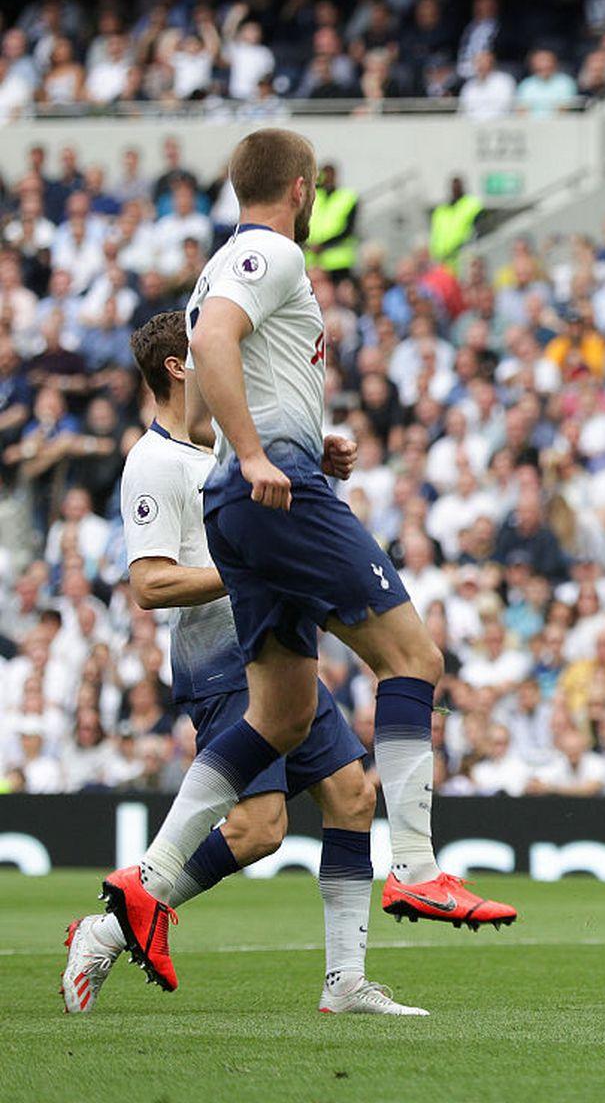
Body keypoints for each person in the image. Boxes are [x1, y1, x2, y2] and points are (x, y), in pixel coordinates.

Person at [98, 128, 516, 994]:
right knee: (415, 658)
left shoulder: (228, 260)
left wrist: (295, 438)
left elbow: (234, 356)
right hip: (268, 494)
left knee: (283, 716)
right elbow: (212, 344)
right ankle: (416, 865)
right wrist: (258, 455)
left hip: (255, 497)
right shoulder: (268, 252)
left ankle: (146, 885)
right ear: (301, 188)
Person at [61, 313, 423, 1017]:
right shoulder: (154, 463)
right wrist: (247, 565)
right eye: (212, 355)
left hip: (275, 648)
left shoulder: (227, 448)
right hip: (221, 659)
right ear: (177, 367)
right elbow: (149, 584)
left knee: (351, 796)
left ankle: (345, 983)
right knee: (259, 830)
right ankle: (107, 929)